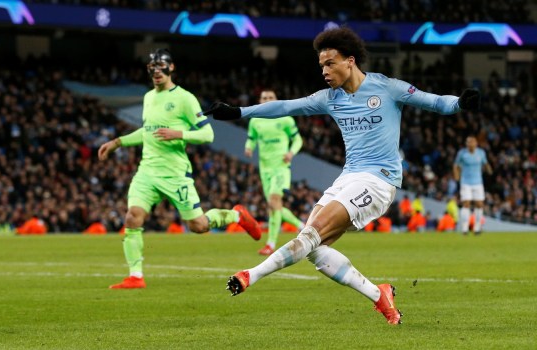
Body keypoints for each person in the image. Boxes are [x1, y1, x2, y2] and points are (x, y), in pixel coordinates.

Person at [203, 27, 480, 325]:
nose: (324, 70)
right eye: (321, 65)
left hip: (379, 180)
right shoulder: (329, 98)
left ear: (350, 61)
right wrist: (239, 112)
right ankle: (380, 295)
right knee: (314, 248)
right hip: (348, 178)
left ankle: (251, 274)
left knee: (311, 234)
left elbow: (435, 101)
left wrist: (460, 103)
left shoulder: (387, 87)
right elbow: (286, 106)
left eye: (330, 63)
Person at [98, 49, 261, 290]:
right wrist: (117, 142)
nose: (156, 72)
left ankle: (237, 215)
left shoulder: (185, 98)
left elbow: (207, 133)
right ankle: (135, 276)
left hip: (175, 173)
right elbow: (147, 131)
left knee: (198, 226)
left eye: (161, 66)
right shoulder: (148, 98)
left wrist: (179, 133)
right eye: (152, 67)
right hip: (147, 171)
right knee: (132, 216)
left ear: (171, 68)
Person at [244, 89, 305, 256]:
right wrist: (248, 148)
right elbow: (252, 138)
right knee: (274, 206)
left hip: (281, 167)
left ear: (276, 100)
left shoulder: (285, 118)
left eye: (271, 97)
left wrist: (291, 153)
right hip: (265, 169)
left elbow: (298, 139)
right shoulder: (255, 120)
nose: (267, 100)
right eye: (264, 97)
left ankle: (270, 244)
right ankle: (303, 227)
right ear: (260, 100)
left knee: (274, 200)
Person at [453, 136, 492, 235]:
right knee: (466, 203)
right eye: (468, 142)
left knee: (479, 204)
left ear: (476, 143)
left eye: (472, 142)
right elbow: (456, 165)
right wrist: (456, 176)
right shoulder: (462, 153)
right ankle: (464, 228)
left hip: (478, 182)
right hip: (465, 182)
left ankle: (477, 227)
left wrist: (489, 169)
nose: (470, 144)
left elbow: (485, 163)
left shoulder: (481, 153)